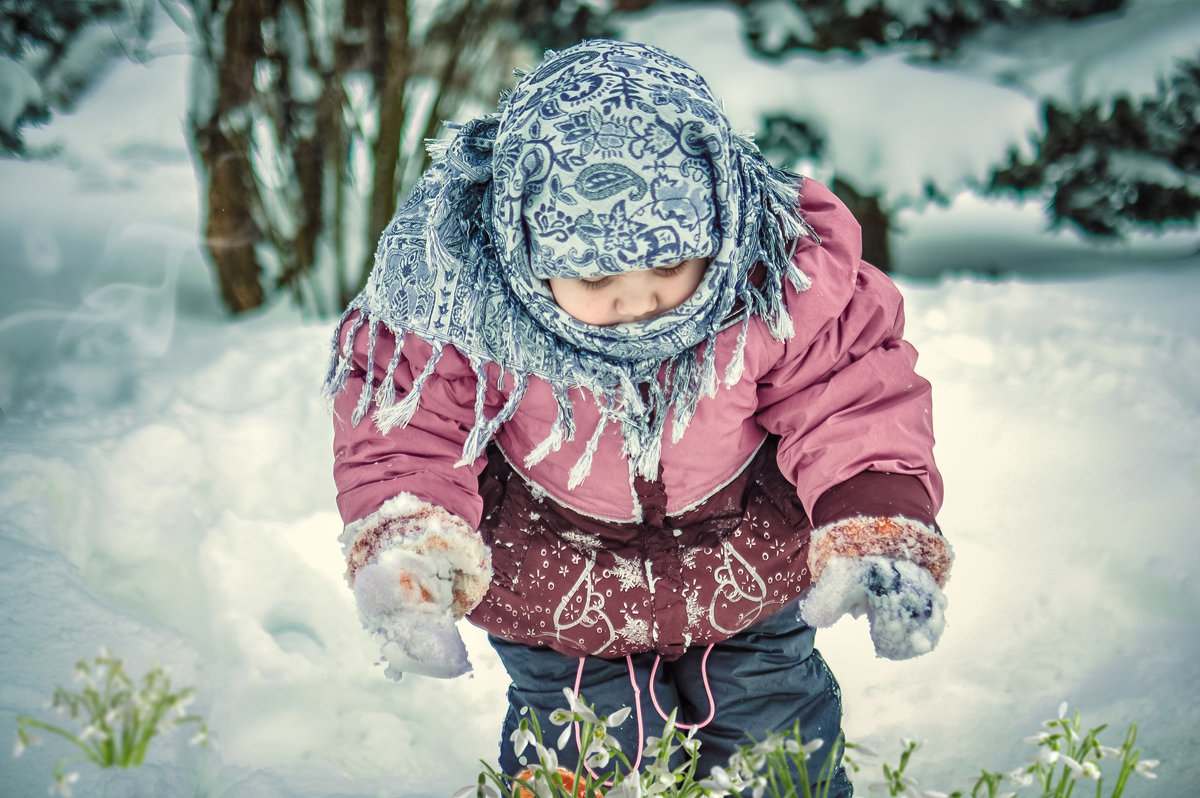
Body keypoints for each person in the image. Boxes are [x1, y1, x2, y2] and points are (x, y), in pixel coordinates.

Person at [325, 38, 952, 796]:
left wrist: (876, 515)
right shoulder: (460, 303)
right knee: (585, 752)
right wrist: (411, 543)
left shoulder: (773, 277)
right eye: (593, 275)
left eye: (668, 265)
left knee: (775, 737)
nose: (637, 300)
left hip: (744, 567)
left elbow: (849, 392)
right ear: (523, 246)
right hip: (552, 582)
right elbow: (408, 422)